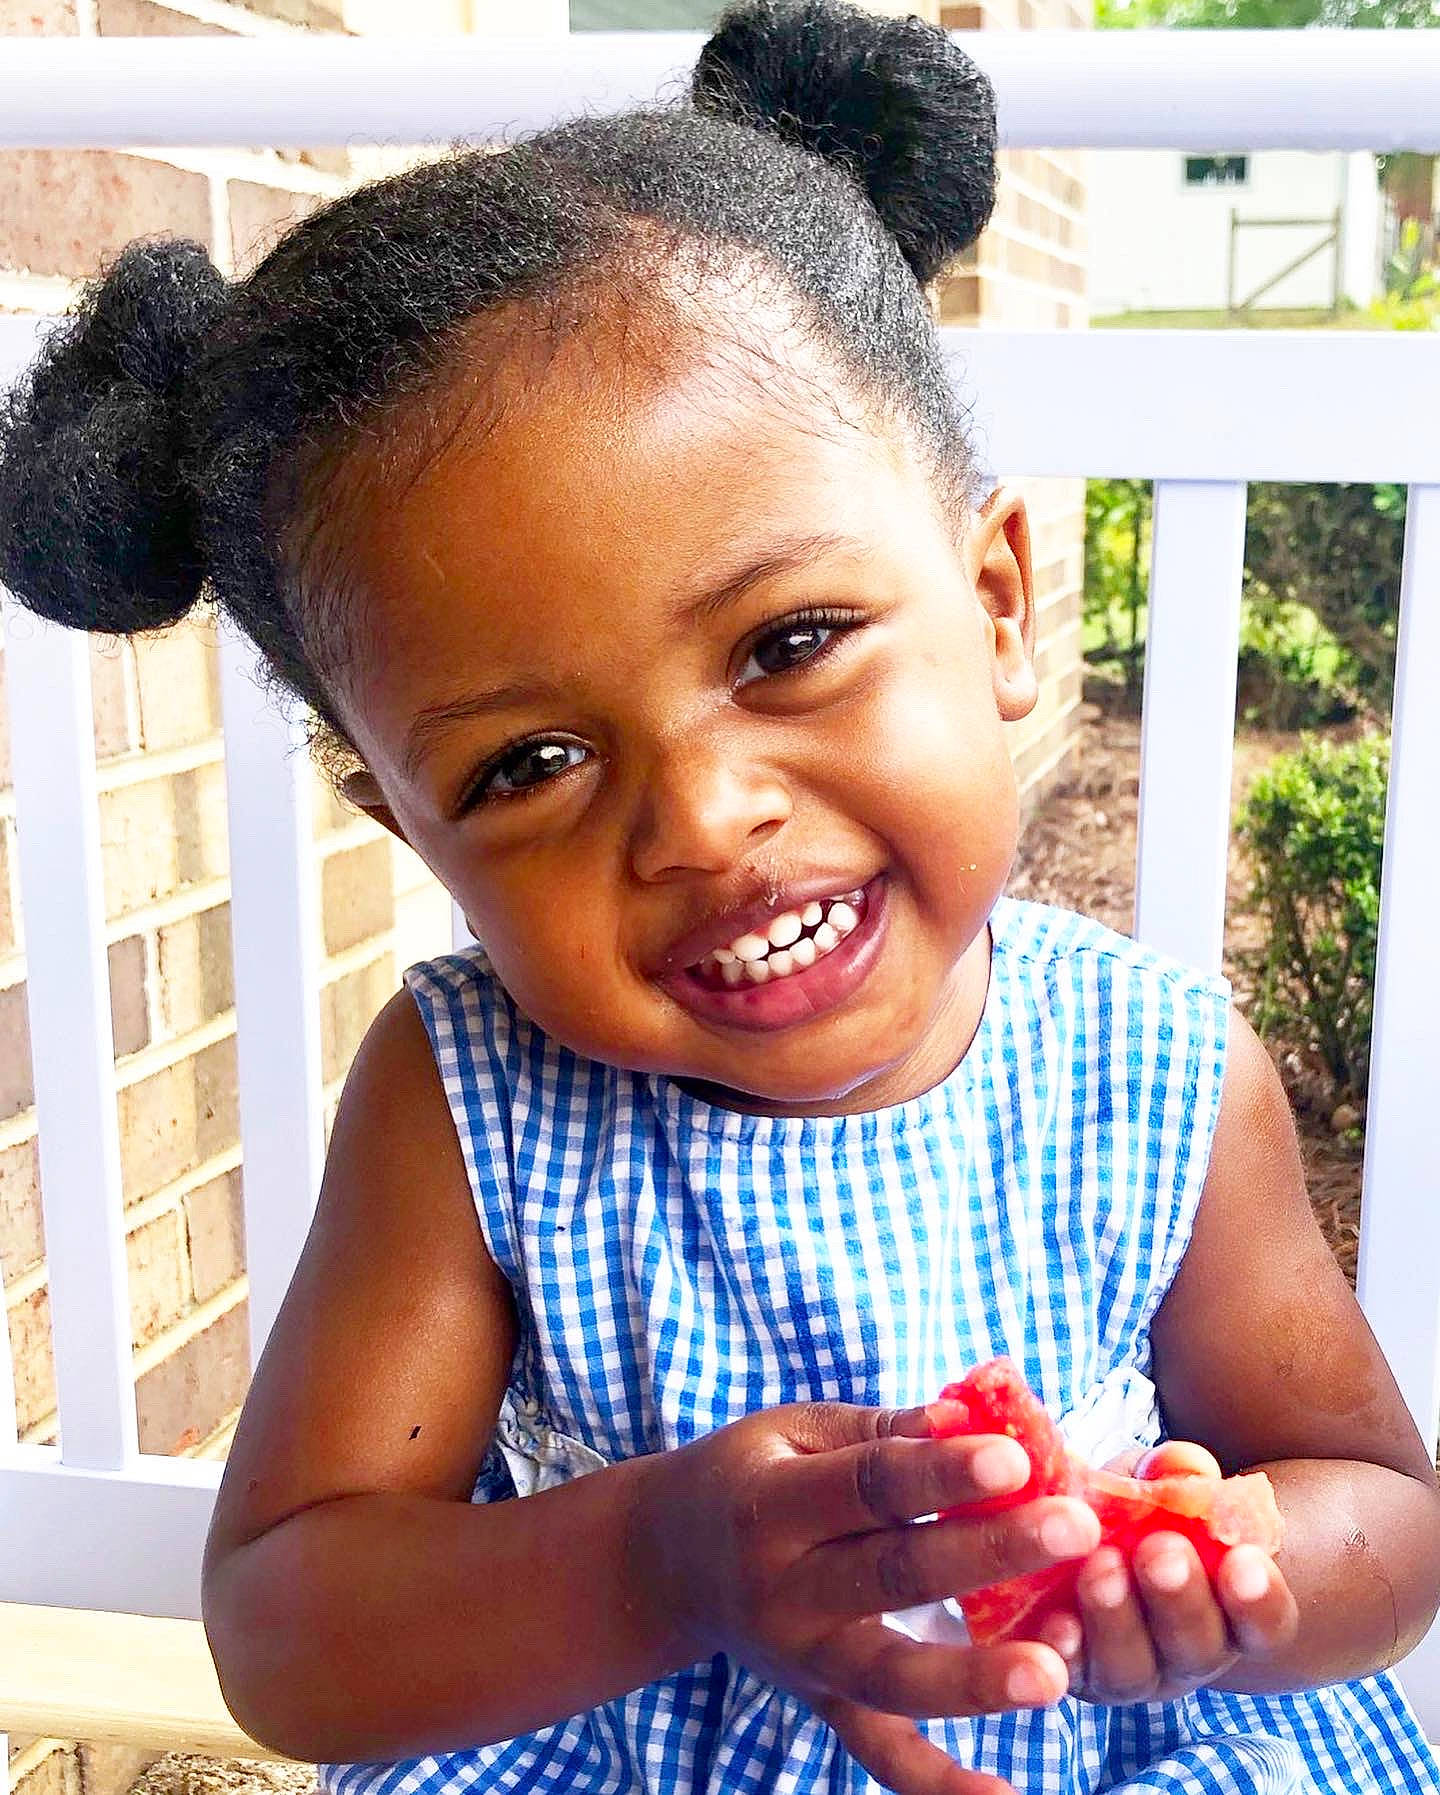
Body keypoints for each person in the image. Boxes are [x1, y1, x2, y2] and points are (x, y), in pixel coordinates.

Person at [1, 4, 1437, 1791]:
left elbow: (1382, 1509)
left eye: (789, 645)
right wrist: (655, 1561)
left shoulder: (1156, 1073)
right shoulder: (470, 1106)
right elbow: (290, 1635)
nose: (700, 820)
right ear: (407, 822)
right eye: (526, 766)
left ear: (997, 606)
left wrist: (1243, 1581)